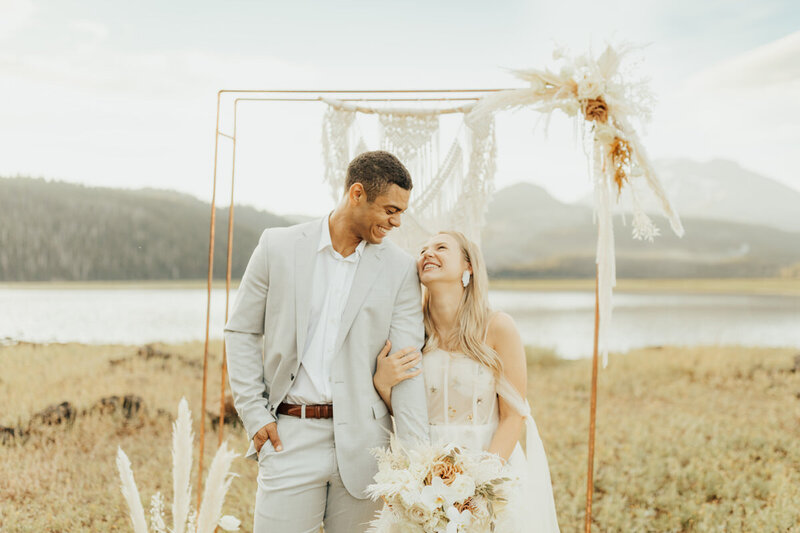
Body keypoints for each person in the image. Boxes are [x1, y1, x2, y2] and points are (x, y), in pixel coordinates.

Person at [224, 150, 430, 533]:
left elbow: (408, 364)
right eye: (390, 209)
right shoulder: (277, 246)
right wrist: (254, 413)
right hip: (289, 435)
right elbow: (241, 331)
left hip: (367, 445)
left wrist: (419, 459)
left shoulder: (401, 268)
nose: (397, 222)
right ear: (356, 194)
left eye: (401, 212)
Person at [373, 230, 560, 532]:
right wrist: (383, 383)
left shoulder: (498, 327)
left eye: (441, 247)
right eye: (422, 250)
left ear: (468, 266)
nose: (427, 253)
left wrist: (478, 485)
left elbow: (514, 416)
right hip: (424, 473)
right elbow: (408, 412)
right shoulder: (410, 331)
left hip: (489, 465)